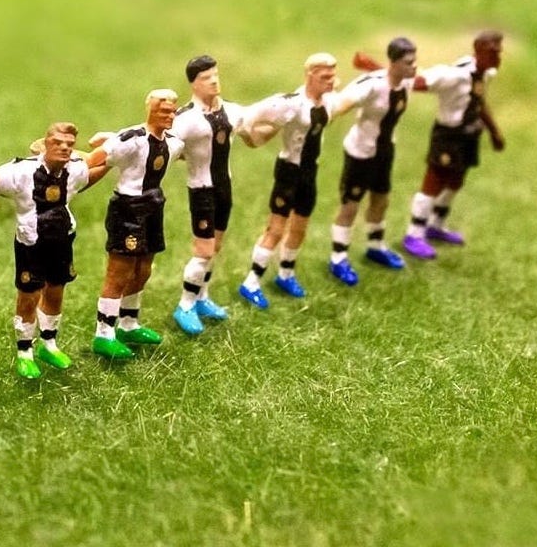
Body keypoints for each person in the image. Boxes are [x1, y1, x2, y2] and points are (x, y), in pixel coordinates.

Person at [0, 122, 104, 379]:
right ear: (45, 144)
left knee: (55, 291)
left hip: (62, 239)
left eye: (69, 144)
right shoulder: (22, 172)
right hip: (31, 243)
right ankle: (24, 352)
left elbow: (95, 168)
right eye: (58, 143)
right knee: (29, 295)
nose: (64, 148)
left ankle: (49, 344)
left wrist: (112, 159)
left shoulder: (74, 170)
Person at [237, 53, 344, 309]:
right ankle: (251, 282)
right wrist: (250, 135)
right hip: (289, 172)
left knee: (300, 227)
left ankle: (286, 273)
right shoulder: (291, 104)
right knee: (276, 230)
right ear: (310, 76)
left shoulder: (328, 101)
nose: (331, 81)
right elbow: (251, 115)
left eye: (332, 76)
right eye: (325, 77)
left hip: (310, 171)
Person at [86, 88, 185, 359]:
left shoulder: (174, 143)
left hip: (154, 206)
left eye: (173, 111)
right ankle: (104, 333)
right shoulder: (132, 139)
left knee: (143, 269)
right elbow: (93, 159)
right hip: (128, 209)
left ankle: (129, 324)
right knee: (120, 271)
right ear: (151, 110)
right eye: (164, 111)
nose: (170, 116)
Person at [397, 31, 505, 259]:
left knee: (456, 181)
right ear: (479, 50)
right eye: (493, 52)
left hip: (468, 136)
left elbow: (479, 101)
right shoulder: (454, 76)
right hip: (448, 136)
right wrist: (381, 71)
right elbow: (417, 83)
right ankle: (414, 234)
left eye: (499, 51)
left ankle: (435, 224)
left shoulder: (485, 73)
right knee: (433, 182)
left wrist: (494, 131)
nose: (498, 57)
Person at [169, 55, 253, 335]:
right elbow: (168, 147)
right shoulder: (185, 119)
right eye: (206, 78)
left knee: (215, 247)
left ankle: (202, 297)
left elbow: (253, 128)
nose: (214, 81)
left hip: (224, 187)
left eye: (215, 75)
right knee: (203, 251)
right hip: (201, 190)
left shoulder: (231, 110)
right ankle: (185, 305)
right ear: (194, 83)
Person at [325, 38, 419, 285]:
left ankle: (375, 246)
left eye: (414, 61)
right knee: (350, 205)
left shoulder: (406, 81)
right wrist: (328, 108)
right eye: (409, 62)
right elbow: (341, 105)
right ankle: (338, 257)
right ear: (394, 62)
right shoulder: (370, 86)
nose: (414, 66)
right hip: (360, 153)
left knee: (381, 199)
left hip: (384, 151)